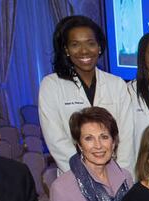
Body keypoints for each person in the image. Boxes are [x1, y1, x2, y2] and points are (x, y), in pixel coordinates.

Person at [39, 15, 134, 176]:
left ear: (99, 47)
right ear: (66, 50)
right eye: (75, 45)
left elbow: (126, 136)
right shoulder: (51, 85)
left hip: (116, 175)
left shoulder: (116, 84)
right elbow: (56, 140)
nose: (84, 51)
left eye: (90, 43)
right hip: (74, 176)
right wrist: (88, 175)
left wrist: (119, 173)